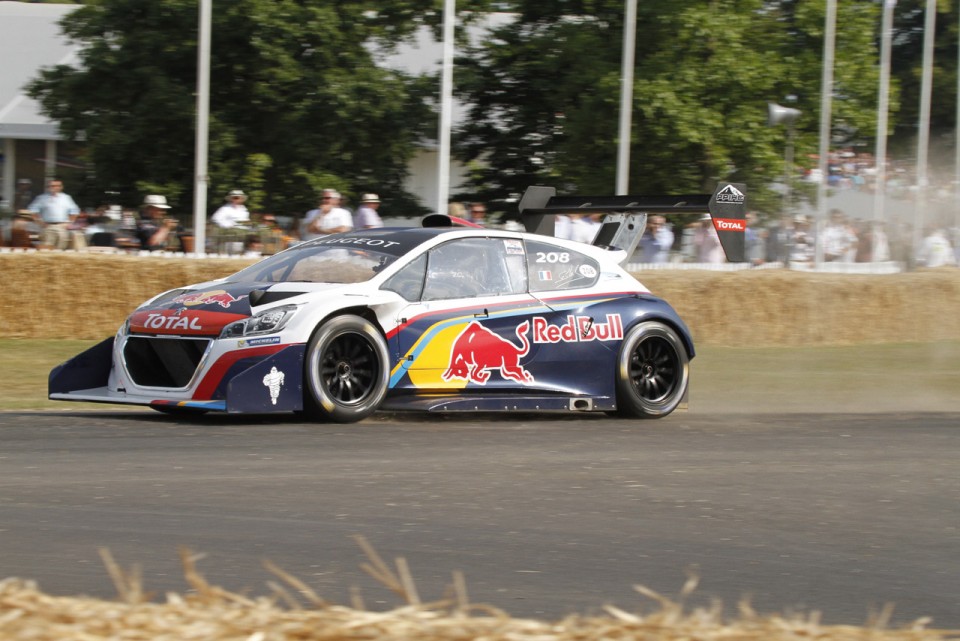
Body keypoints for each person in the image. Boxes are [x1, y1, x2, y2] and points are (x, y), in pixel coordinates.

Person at [27, 177, 81, 250]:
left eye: (57, 186)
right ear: (48, 187)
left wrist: (69, 223)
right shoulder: (41, 198)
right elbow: (32, 210)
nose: (54, 187)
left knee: (61, 248)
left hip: (61, 226)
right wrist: (39, 222)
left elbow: (75, 211)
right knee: (46, 248)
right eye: (52, 186)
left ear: (61, 187)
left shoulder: (66, 198)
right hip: (48, 226)